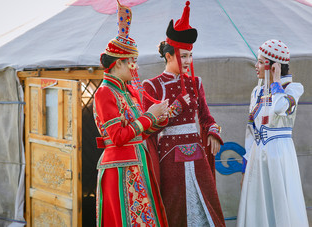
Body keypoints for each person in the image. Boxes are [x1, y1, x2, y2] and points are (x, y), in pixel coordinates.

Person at [142, 2, 226, 226]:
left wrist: (213, 132)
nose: (189, 61)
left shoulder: (196, 83)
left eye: (190, 56)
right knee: (174, 207)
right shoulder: (152, 86)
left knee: (207, 204)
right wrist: (176, 107)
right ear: (169, 56)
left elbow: (207, 118)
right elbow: (147, 128)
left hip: (197, 154)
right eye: (184, 56)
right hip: (170, 156)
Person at [93, 1, 169, 226]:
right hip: (119, 169)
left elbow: (140, 131)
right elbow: (117, 137)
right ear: (118, 64)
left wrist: (160, 118)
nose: (135, 68)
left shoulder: (127, 93)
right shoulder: (104, 93)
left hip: (137, 162)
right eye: (132, 63)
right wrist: (149, 117)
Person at [237, 39, 309, 227]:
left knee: (279, 200)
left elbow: (281, 107)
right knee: (257, 204)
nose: (256, 66)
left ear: (274, 66)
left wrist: (276, 82)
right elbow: (251, 129)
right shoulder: (257, 91)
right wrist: (245, 165)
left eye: (261, 62)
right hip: (256, 156)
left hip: (279, 154)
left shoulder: (293, 88)